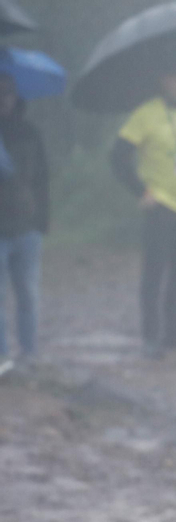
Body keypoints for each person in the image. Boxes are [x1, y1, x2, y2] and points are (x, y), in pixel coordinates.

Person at [112, 66, 176, 359]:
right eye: (175, 77)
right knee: (154, 273)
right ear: (163, 81)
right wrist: (140, 191)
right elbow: (118, 157)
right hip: (159, 204)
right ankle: (150, 336)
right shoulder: (146, 113)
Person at [0, 72, 47, 367]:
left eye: (7, 94)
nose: (3, 100)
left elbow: (42, 180)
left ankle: (29, 353)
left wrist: (42, 221)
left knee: (28, 295)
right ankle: (2, 355)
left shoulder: (30, 133)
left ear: (16, 98)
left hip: (27, 228)